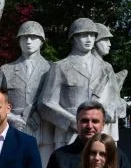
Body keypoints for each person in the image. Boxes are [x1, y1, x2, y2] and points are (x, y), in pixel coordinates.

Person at [38, 18, 114, 152]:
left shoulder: (105, 68)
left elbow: (112, 100)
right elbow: (45, 103)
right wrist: (71, 121)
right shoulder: (60, 67)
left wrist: (107, 113)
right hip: (68, 135)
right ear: (73, 38)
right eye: (84, 35)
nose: (89, 39)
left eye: (92, 35)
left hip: (99, 134)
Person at [0, 21, 54, 166]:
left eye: (33, 37)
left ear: (41, 41)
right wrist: (11, 117)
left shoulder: (52, 68)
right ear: (19, 41)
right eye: (24, 37)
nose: (29, 41)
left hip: (43, 131)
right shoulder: (6, 70)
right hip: (15, 129)